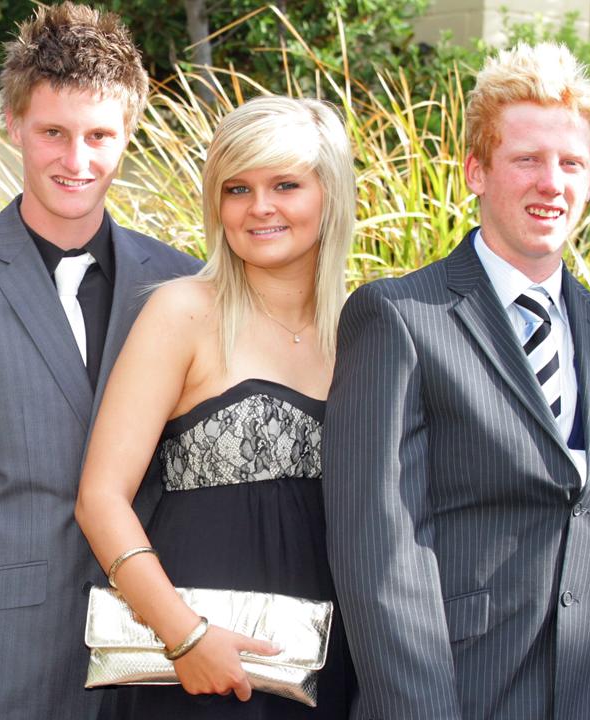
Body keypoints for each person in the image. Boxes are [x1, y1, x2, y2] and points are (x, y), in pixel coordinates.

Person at [0, 4, 201, 719]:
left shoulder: (184, 285)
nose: (76, 161)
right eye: (54, 133)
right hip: (1, 670)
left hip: (152, 672)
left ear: (127, 136)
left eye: (98, 136)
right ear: (15, 125)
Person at [324, 42, 590, 719]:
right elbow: (379, 549)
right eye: (527, 159)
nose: (551, 182)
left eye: (572, 163)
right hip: (461, 693)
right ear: (476, 171)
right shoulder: (400, 319)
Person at [75, 95, 357, 718]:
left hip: (330, 663)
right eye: (237, 188)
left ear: (329, 194)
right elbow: (100, 497)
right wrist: (186, 635)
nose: (260, 207)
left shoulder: (363, 329)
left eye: (285, 184)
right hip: (194, 668)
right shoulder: (183, 312)